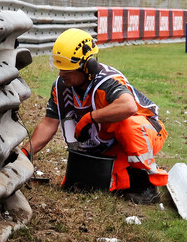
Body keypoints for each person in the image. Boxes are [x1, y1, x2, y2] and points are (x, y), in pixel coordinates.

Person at [22, 29, 169, 203]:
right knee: (87, 186)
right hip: (110, 143)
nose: (62, 74)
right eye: (60, 69)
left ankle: (146, 186)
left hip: (145, 133)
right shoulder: (60, 87)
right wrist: (24, 153)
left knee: (129, 125)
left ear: (87, 66)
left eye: (68, 70)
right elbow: (48, 123)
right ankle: (127, 177)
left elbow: (128, 106)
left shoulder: (107, 81)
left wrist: (89, 118)